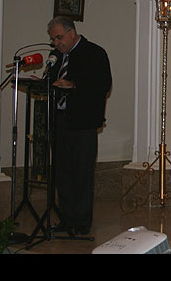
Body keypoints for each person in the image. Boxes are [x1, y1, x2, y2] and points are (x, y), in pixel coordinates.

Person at [46, 16, 112, 236]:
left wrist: (74, 85)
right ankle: (66, 218)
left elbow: (103, 84)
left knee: (81, 172)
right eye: (53, 39)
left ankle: (82, 221)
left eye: (59, 37)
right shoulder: (57, 58)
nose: (56, 43)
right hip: (60, 120)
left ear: (71, 32)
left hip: (83, 122)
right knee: (62, 172)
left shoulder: (94, 53)